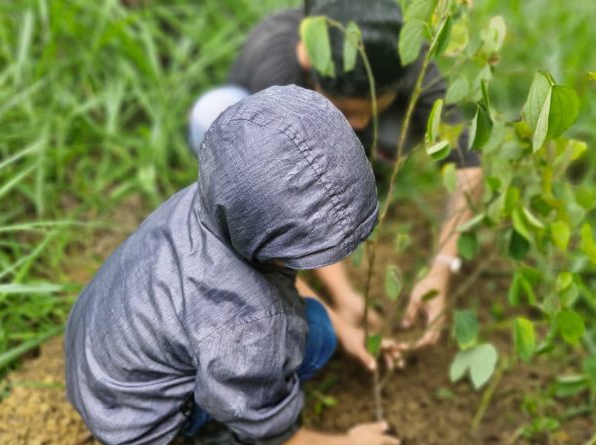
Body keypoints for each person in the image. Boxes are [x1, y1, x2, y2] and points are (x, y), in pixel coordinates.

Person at [66, 86, 400, 445]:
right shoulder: (249, 327)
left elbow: (271, 271)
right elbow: (277, 435)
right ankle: (210, 434)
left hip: (98, 369)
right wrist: (352, 442)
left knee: (313, 326)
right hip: (138, 426)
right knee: (315, 338)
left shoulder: (220, 197)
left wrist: (349, 331)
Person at [188, 0, 483, 347]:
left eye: (371, 109)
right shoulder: (277, 64)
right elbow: (287, 195)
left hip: (350, 138)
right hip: (272, 139)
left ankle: (369, 170)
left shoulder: (407, 56)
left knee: (406, 123)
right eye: (345, 111)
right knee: (215, 112)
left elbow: (467, 167)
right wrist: (341, 298)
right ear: (308, 64)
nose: (357, 124)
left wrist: (442, 268)